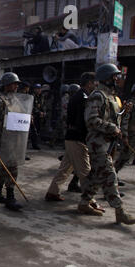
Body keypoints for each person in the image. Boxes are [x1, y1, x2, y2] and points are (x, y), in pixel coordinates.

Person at [79, 64, 135, 225]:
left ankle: (84, 203)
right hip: (97, 144)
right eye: (114, 76)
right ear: (106, 78)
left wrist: (124, 112)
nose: (117, 79)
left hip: (108, 143)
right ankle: (120, 211)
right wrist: (112, 127)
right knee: (109, 175)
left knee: (97, 177)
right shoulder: (97, 95)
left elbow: (113, 117)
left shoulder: (112, 97)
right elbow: (91, 120)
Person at [45, 73, 104, 207]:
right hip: (77, 138)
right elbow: (83, 121)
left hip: (72, 138)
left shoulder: (80, 96)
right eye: (95, 82)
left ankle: (52, 192)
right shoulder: (83, 98)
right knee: (85, 171)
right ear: (89, 83)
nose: (96, 85)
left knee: (65, 168)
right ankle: (89, 201)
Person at [0, 72, 29, 211]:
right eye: (14, 83)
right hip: (4, 139)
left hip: (15, 138)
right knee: (12, 167)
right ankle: (10, 196)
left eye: (17, 84)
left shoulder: (17, 100)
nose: (16, 86)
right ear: (6, 85)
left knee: (4, 167)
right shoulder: (0, 100)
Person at [115, 82, 135, 189]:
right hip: (132, 135)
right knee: (125, 156)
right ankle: (113, 174)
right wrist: (124, 135)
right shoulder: (131, 104)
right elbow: (125, 120)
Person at [30, 83, 45, 150]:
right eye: (37, 89)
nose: (39, 90)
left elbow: (43, 106)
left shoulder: (41, 97)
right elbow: (31, 106)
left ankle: (36, 143)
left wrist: (43, 112)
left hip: (40, 116)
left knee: (38, 130)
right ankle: (34, 145)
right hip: (34, 115)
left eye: (39, 89)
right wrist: (39, 112)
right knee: (34, 130)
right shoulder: (32, 96)